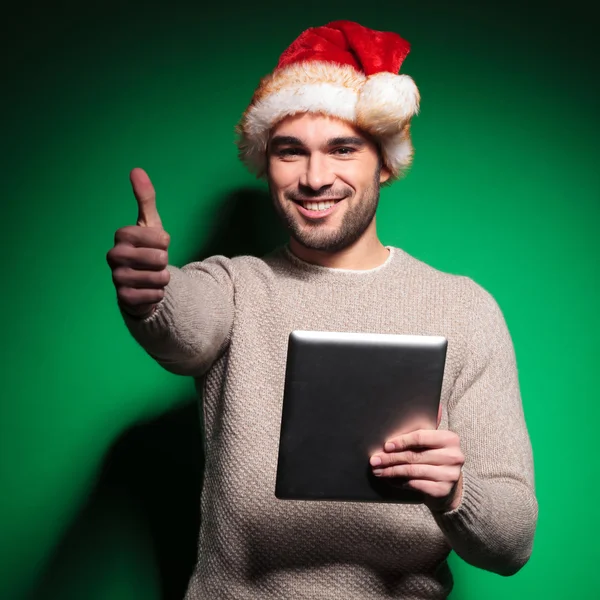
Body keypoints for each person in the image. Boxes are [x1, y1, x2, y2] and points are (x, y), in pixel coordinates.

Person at [106, 20, 538, 600]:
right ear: (267, 164)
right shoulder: (235, 285)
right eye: (290, 152)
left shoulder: (464, 308)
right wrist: (151, 292)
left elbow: (513, 543)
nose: (314, 178)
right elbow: (182, 325)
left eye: (342, 149)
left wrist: (458, 493)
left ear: (384, 163)